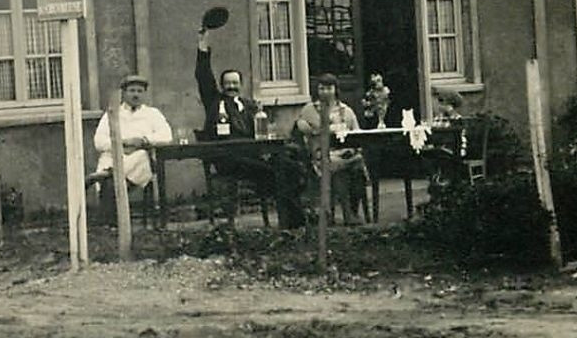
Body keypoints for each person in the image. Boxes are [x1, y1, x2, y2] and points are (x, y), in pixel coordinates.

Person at [195, 30, 304, 229]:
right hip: (228, 158)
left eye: (235, 83)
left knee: (291, 167)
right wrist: (202, 47)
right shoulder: (214, 102)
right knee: (276, 173)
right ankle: (293, 222)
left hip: (252, 156)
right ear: (221, 85)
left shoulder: (250, 105)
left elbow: (262, 132)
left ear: (241, 85)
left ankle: (293, 220)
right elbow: (203, 77)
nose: (231, 87)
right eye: (227, 83)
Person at [296, 73, 369, 224]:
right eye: (321, 88)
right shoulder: (310, 109)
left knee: (356, 166)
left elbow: (357, 135)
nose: (324, 92)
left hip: (345, 154)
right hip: (320, 156)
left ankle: (352, 211)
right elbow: (300, 128)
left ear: (336, 90)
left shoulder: (346, 111)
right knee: (336, 165)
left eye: (328, 88)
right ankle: (348, 214)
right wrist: (310, 128)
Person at [89, 74, 173, 197]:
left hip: (139, 159)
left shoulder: (152, 114)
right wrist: (123, 143)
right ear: (124, 93)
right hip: (115, 156)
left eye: (140, 91)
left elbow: (166, 136)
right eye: (132, 91)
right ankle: (110, 177)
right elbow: (99, 141)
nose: (136, 95)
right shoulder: (113, 114)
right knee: (109, 185)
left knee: (142, 156)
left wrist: (144, 141)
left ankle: (109, 175)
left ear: (144, 94)